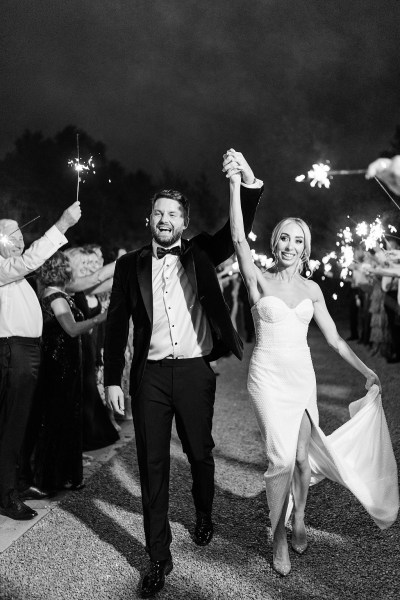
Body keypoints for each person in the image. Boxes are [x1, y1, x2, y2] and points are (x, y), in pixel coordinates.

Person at [225, 148, 398, 577]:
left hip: (301, 376)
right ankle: (278, 534)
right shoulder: (258, 280)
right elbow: (235, 237)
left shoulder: (313, 290)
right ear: (275, 243)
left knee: (302, 460)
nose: (289, 245)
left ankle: (300, 515)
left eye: (298, 240)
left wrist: (366, 371)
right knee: (281, 458)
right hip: (266, 376)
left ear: (306, 249)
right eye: (284, 237)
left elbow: (336, 340)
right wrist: (235, 184)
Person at [104, 153, 263, 598]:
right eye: (158, 212)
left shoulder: (200, 253)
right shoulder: (128, 265)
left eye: (173, 214)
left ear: (184, 222)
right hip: (149, 377)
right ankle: (158, 559)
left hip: (195, 372)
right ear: (148, 219)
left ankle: (204, 512)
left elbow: (236, 234)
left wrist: (245, 183)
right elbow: (116, 323)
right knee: (151, 468)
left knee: (200, 453)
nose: (165, 219)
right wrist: (112, 378)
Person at [0, 201, 81, 520]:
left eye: (20, 238)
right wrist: (61, 225)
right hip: (11, 352)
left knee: (22, 422)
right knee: (10, 422)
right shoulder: (5, 269)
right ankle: (5, 495)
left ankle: (16, 482)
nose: (18, 243)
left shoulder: (15, 274)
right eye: (10, 238)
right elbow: (32, 258)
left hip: (26, 351)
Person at [28, 251, 108, 492]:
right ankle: (53, 478)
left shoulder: (59, 293)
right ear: (61, 270)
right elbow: (72, 329)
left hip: (65, 364)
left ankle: (64, 475)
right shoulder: (55, 297)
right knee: (58, 420)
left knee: (65, 418)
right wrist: (100, 318)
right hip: (59, 367)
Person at [65, 247, 120, 450]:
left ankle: (90, 435)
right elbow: (97, 277)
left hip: (88, 343)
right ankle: (82, 441)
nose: (89, 268)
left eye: (91, 263)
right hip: (75, 343)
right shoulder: (71, 285)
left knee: (89, 391)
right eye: (84, 264)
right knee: (82, 391)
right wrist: (124, 261)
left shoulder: (83, 288)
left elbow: (107, 281)